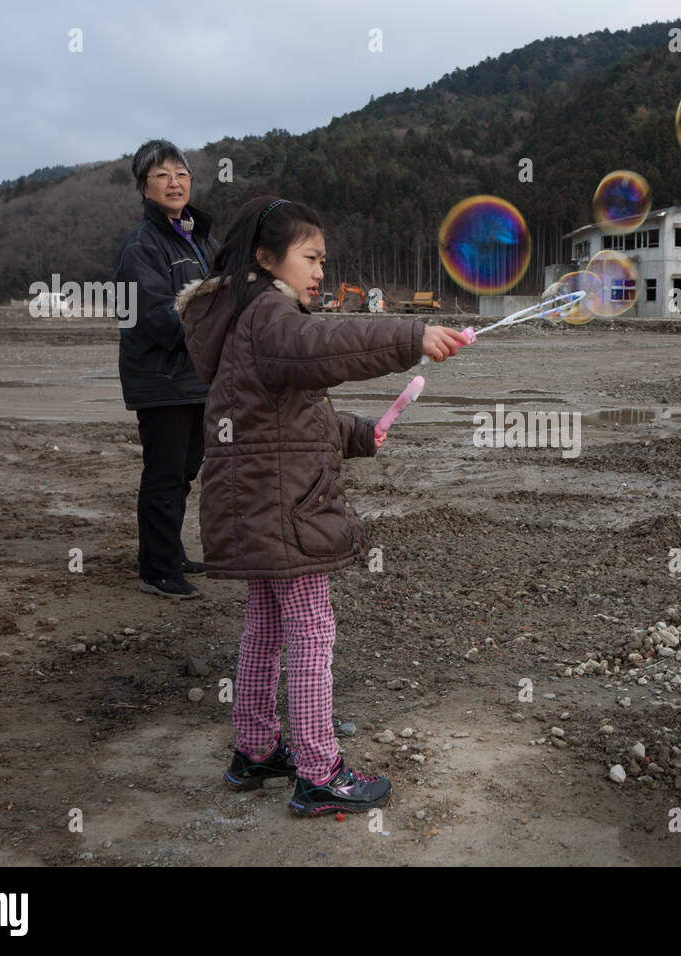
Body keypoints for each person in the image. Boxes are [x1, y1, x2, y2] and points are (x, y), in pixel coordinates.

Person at [177, 196, 468, 815]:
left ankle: (255, 750)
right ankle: (318, 769)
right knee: (311, 631)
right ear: (266, 257)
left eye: (323, 260)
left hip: (258, 506)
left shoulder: (245, 320)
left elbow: (286, 419)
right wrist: (412, 336)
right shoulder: (271, 317)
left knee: (267, 628)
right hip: (284, 512)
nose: (319, 272)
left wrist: (359, 434)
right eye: (310, 258)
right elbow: (327, 347)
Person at [113, 139, 217, 599]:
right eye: (162, 175)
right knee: (164, 474)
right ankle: (155, 569)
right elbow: (158, 318)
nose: (174, 182)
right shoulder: (140, 246)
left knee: (187, 469)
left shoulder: (201, 238)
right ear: (144, 187)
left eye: (181, 173)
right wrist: (213, 323)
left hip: (196, 378)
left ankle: (170, 552)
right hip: (160, 378)